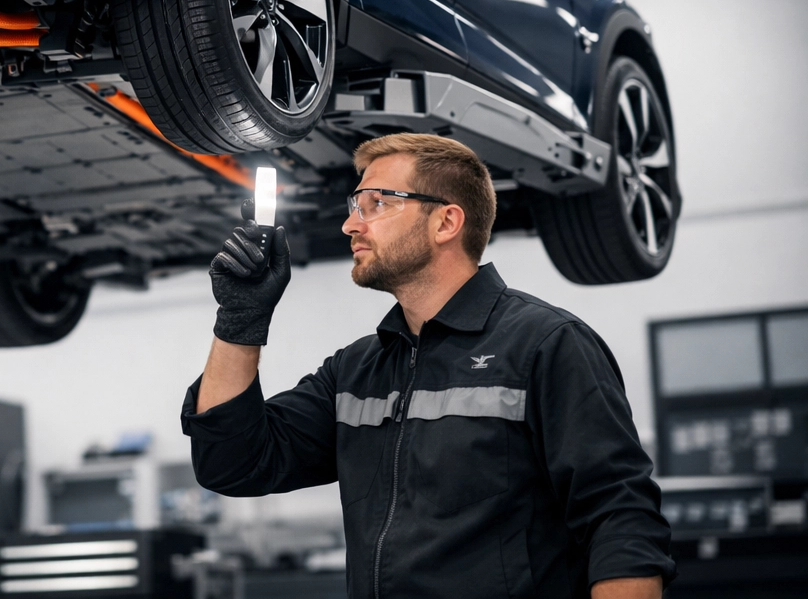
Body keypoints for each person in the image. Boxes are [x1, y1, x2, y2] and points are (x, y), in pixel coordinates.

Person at [182, 132, 674, 598]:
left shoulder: (547, 346)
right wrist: (240, 320)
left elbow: (621, 520)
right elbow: (233, 463)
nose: (351, 224)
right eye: (354, 206)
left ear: (446, 222)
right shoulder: (357, 372)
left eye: (376, 203)